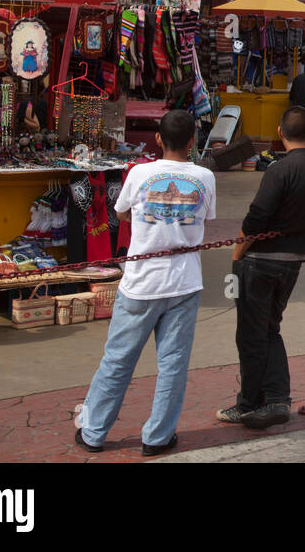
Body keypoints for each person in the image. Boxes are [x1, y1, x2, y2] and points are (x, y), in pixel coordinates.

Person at [77, 110, 215, 455]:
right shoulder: (205, 177)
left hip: (140, 284)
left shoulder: (140, 173)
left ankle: (93, 432)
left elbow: (121, 212)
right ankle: (157, 437)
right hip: (184, 282)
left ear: (157, 139)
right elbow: (205, 217)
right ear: (192, 141)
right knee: (173, 363)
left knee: (118, 359)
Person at [218, 106, 305, 429]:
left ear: (280, 134)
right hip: (293, 260)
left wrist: (237, 253)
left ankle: (253, 402)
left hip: (260, 262)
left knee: (252, 334)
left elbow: (256, 218)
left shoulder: (278, 171)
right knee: (268, 329)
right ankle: (273, 398)